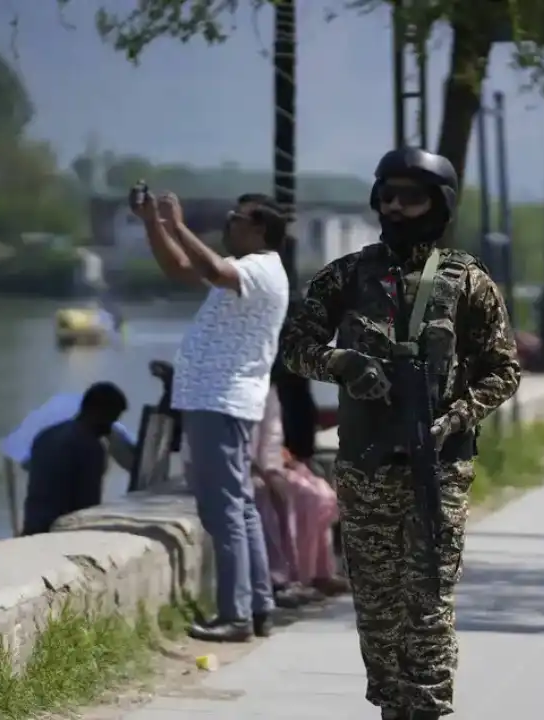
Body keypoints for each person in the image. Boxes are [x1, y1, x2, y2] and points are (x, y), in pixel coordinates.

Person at [279, 147, 521, 720]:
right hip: (366, 468)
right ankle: (392, 705)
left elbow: (504, 370)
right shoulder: (347, 276)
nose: (394, 207)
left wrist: (453, 418)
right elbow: (294, 347)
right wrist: (341, 364)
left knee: (429, 603)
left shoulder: (467, 281)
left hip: (438, 469)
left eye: (409, 198)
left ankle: (427, 708)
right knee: (378, 608)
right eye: (386, 196)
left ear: (437, 204)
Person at [134, 189, 290, 643]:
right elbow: (182, 268)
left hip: (220, 400)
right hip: (216, 399)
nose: (228, 224)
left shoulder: (260, 270)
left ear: (259, 229)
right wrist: (153, 224)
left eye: (236, 218)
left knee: (223, 510)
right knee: (239, 506)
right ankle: (257, 605)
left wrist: (178, 225)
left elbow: (212, 269)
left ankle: (235, 615)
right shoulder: (247, 269)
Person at [251, 385, 347, 603]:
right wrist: (271, 470)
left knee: (320, 494)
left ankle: (319, 571)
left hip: (275, 464)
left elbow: (272, 439)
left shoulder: (270, 393)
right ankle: (284, 576)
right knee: (291, 496)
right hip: (256, 469)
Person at [20, 383, 130, 536]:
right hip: (61, 533)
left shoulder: (46, 435)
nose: (109, 429)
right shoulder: (90, 446)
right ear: (96, 411)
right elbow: (87, 507)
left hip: (32, 528)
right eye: (110, 420)